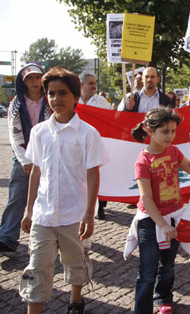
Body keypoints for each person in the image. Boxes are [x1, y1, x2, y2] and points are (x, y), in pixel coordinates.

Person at [19, 67, 108, 314]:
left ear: (76, 97)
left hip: (74, 215)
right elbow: (36, 171)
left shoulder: (88, 134)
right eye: (51, 94)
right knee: (37, 269)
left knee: (75, 263)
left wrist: (89, 214)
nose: (56, 99)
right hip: (43, 216)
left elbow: (93, 174)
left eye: (63, 93)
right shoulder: (39, 133)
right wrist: (28, 210)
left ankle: (76, 299)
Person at [130, 108, 190, 314]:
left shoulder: (174, 151)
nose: (170, 136)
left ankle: (163, 296)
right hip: (150, 222)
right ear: (149, 131)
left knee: (168, 265)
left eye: (173, 131)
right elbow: (146, 198)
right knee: (147, 271)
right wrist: (161, 223)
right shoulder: (142, 161)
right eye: (164, 131)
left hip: (174, 217)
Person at [0, 63, 51, 253]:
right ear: (23, 81)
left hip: (47, 157)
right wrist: (25, 160)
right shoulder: (16, 104)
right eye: (30, 78)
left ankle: (47, 239)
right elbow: (15, 135)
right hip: (24, 158)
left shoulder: (50, 101)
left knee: (48, 197)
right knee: (17, 196)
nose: (35, 82)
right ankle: (7, 236)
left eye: (38, 77)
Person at [79, 72, 112, 220]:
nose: (94, 86)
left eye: (94, 83)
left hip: (96, 142)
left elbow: (111, 119)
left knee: (98, 175)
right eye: (90, 83)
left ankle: (100, 206)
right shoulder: (73, 100)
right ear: (81, 85)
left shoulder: (101, 102)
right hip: (77, 145)